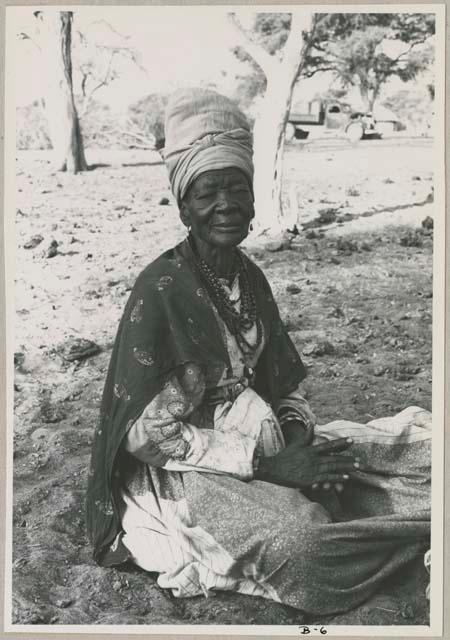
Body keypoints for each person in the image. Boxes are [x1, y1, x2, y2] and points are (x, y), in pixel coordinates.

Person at [86, 88, 431, 615]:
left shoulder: (249, 277)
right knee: (305, 550)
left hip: (265, 443)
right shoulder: (161, 289)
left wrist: (297, 444)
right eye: (207, 193)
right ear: (184, 205)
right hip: (188, 470)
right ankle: (417, 536)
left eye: (236, 189)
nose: (225, 205)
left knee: (423, 452)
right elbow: (145, 438)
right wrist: (270, 469)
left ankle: (391, 524)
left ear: (253, 198)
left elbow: (283, 385)